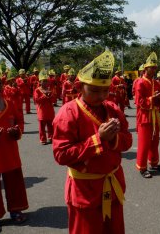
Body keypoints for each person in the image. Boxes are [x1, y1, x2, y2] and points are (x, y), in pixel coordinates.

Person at [52, 51, 132, 234]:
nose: (102, 96)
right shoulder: (68, 113)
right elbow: (61, 154)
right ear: (80, 87)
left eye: (105, 90)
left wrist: (114, 139)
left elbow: (127, 141)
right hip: (85, 191)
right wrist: (98, 140)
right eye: (95, 90)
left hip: (113, 184)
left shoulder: (113, 109)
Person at [0, 70, 28, 234]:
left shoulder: (10, 102)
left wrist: (17, 131)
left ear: (1, 85)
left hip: (10, 152)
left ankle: (16, 210)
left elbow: (19, 121)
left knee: (14, 183)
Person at [135, 52, 160, 178]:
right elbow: (139, 101)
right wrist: (152, 98)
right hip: (145, 115)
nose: (154, 70)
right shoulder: (140, 82)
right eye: (151, 67)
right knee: (144, 143)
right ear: (145, 68)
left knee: (155, 142)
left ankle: (154, 163)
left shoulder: (156, 82)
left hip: (155, 115)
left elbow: (158, 99)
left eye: (155, 68)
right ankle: (142, 167)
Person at [33, 69, 55, 145]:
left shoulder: (49, 89)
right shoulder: (37, 90)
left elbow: (52, 99)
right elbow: (36, 100)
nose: (45, 82)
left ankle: (51, 137)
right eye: (44, 81)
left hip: (50, 110)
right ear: (40, 82)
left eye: (46, 81)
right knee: (42, 126)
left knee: (50, 125)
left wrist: (50, 95)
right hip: (42, 111)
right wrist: (45, 96)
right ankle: (43, 139)